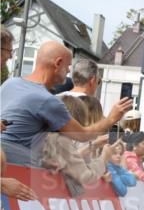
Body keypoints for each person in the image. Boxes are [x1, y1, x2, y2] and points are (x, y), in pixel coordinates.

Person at [0, 41, 131, 165]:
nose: (69, 71)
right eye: (68, 66)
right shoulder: (47, 100)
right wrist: (112, 118)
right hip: (17, 168)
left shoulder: (10, 83)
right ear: (58, 63)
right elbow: (82, 135)